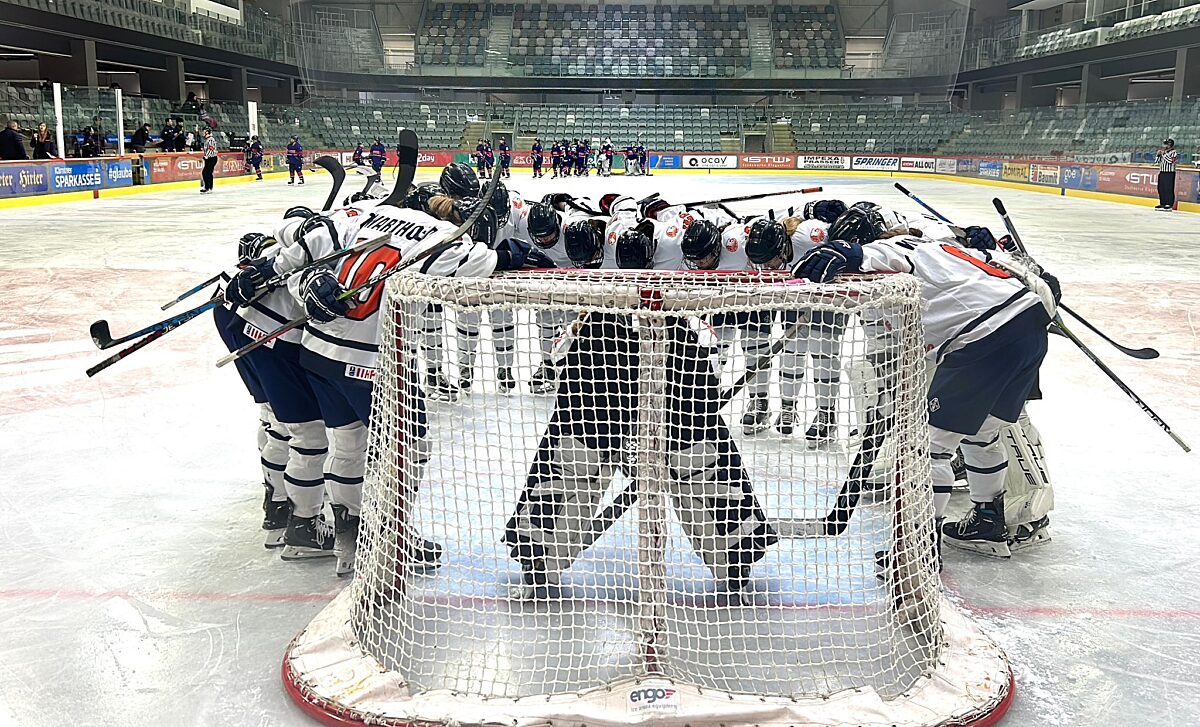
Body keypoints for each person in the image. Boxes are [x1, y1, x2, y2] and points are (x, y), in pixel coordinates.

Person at [793, 208, 1060, 560]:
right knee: (983, 434)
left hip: (983, 336)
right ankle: (987, 522)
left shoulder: (894, 250)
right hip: (1029, 325)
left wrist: (849, 253)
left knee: (931, 448)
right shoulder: (942, 247)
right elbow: (1014, 267)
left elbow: (878, 255)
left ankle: (918, 549)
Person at [1154, 138, 1178, 211]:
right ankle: (1162, 203)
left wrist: (1164, 154)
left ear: (1169, 145)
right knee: (1161, 188)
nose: (1164, 145)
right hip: (1162, 172)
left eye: (1165, 144)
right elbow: (1156, 162)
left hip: (1169, 173)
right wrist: (1158, 155)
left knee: (1168, 188)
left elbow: (1171, 161)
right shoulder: (1162, 152)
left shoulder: (1173, 152)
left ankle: (1169, 204)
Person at [199, 127, 218, 194]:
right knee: (207, 173)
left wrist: (205, 157)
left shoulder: (210, 140)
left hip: (211, 158)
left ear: (207, 132)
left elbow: (211, 149)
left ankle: (208, 187)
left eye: (203, 131)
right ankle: (209, 187)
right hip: (209, 158)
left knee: (206, 173)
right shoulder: (208, 140)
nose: (202, 133)